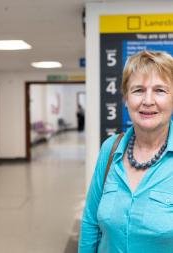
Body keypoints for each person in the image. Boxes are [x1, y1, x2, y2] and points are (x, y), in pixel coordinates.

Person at [78, 50, 173, 253]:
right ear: (126, 99)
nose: (148, 101)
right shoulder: (110, 149)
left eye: (160, 90)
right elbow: (90, 223)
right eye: (138, 90)